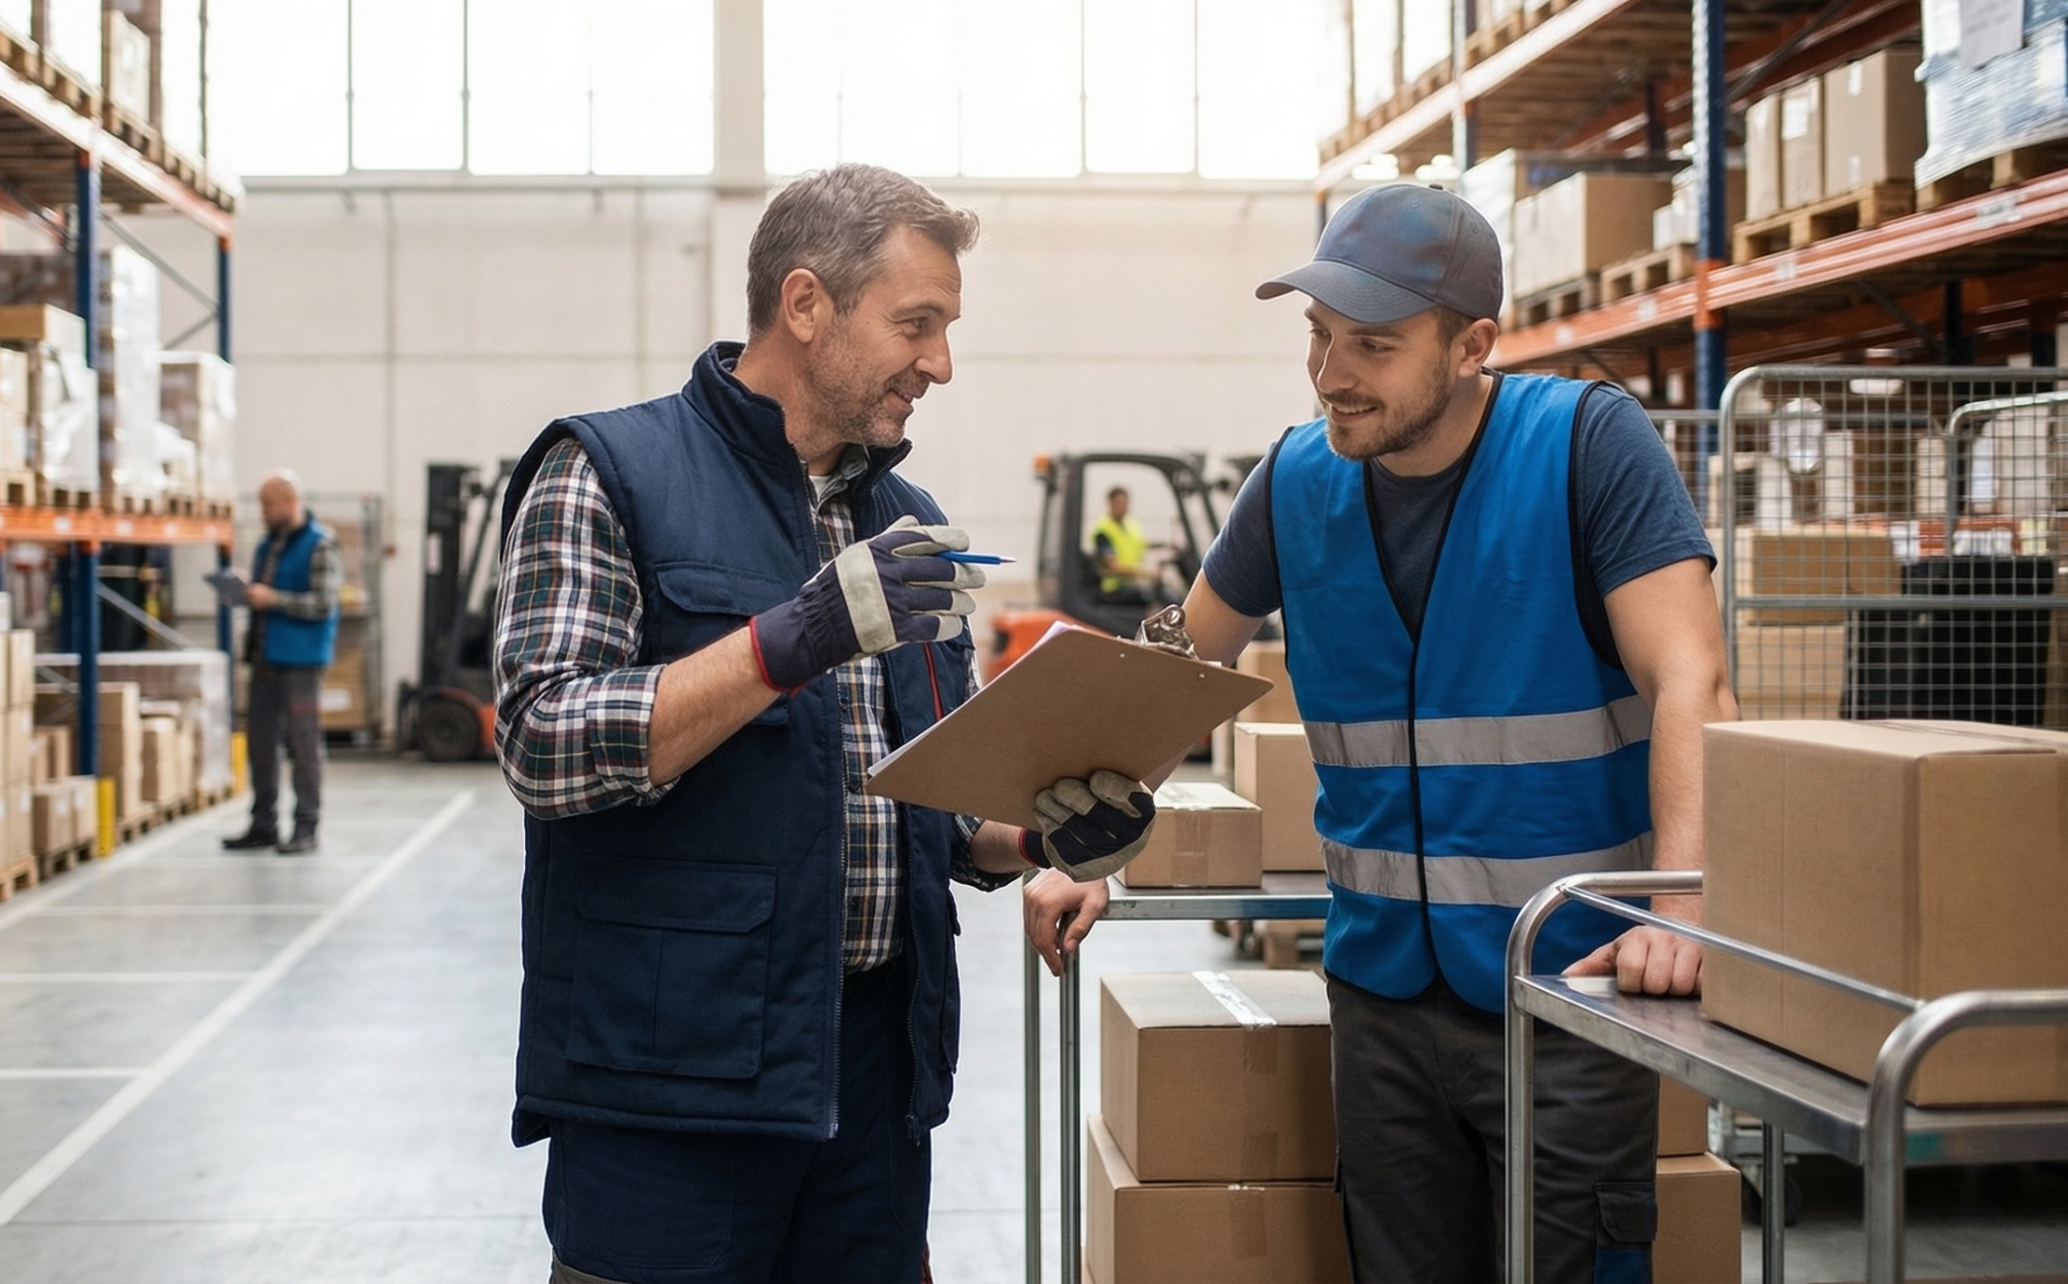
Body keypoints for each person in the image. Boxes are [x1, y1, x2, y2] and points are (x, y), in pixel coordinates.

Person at [1025, 182, 1735, 1283]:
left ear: (1471, 346)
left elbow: (1689, 672)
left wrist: (1683, 904)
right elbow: (1180, 669)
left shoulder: (1585, 446)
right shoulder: (1295, 479)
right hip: (1378, 998)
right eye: (1316, 335)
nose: (1329, 374)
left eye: (1373, 344)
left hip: (1562, 987)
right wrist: (1085, 847)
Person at [493, 164, 1158, 1284]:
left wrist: (1039, 839)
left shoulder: (910, 524)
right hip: (675, 1079)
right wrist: (781, 643)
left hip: (869, 1074)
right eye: (917, 323)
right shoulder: (606, 472)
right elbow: (543, 741)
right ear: (806, 305)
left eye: (945, 328)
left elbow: (921, 803)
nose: (940, 362)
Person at [222, 470, 342, 856]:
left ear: (290, 502)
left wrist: (273, 599)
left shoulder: (321, 545)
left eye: (267, 504)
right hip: (264, 658)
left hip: (301, 661)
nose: (261, 513)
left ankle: (306, 827)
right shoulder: (266, 546)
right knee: (260, 745)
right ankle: (264, 824)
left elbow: (323, 604)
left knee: (303, 746)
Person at [1089, 485, 1160, 602]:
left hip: (1131, 584)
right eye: (1118, 503)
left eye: (1124, 503)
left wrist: (1167, 545)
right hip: (1114, 588)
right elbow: (1113, 566)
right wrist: (1146, 572)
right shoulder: (1103, 531)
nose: (1122, 507)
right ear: (1110, 503)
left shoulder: (1130, 525)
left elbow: (1141, 543)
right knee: (1149, 599)